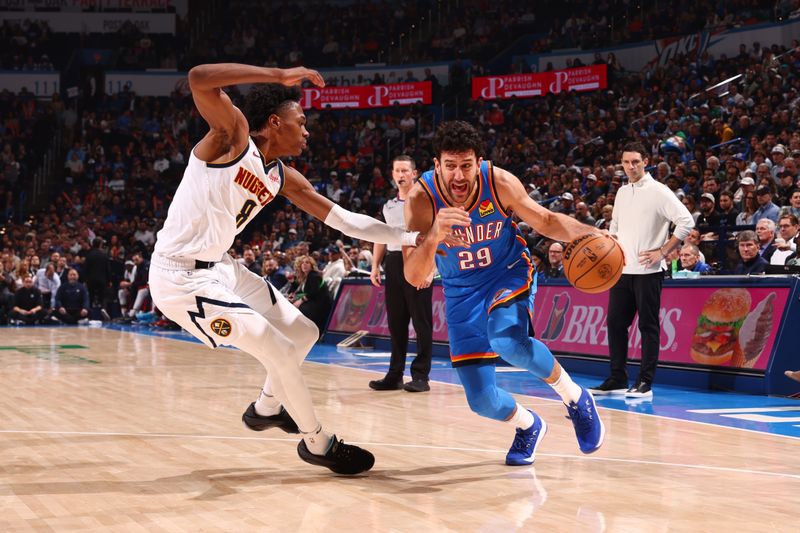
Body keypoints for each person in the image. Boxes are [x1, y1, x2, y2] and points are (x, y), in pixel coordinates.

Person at [148, 63, 424, 475]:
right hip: (180, 277)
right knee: (276, 348)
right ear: (275, 122)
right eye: (302, 121)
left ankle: (266, 407)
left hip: (220, 268)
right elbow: (198, 79)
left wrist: (412, 238)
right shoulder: (232, 136)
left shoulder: (280, 176)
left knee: (303, 332)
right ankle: (318, 443)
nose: (308, 130)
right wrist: (277, 75)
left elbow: (346, 221)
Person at [403, 121, 604, 466]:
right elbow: (414, 275)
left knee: (507, 340)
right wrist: (434, 235)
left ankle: (574, 397)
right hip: (460, 292)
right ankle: (529, 425)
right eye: (450, 166)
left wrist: (596, 234)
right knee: (481, 401)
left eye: (467, 165)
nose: (459, 176)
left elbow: (546, 220)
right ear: (436, 166)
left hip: (506, 273)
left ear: (478, 162)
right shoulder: (421, 199)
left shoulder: (499, 182)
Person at [589, 141, 694, 399]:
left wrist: (663, 251)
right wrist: (608, 242)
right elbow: (615, 227)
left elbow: (686, 221)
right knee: (615, 323)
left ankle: (645, 382)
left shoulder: (659, 191)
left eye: (635, 161)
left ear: (646, 161)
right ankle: (618, 378)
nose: (631, 166)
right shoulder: (622, 192)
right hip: (622, 270)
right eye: (626, 162)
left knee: (648, 326)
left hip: (649, 271)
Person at [369, 155, 434, 393]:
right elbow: (381, 236)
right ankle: (394, 374)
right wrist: (375, 265)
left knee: (421, 322)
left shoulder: (425, 202)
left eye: (405, 170)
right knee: (396, 323)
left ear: (414, 173)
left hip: (417, 260)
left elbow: (434, 239)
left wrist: (431, 270)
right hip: (394, 261)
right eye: (397, 170)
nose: (401, 175)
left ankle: (420, 376)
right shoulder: (388, 205)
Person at [290, 255, 331, 335]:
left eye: (307, 263)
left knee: (301, 308)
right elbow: (302, 291)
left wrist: (300, 300)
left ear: (312, 265)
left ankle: (302, 333)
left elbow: (313, 292)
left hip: (321, 304)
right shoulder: (307, 277)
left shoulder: (314, 276)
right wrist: (294, 296)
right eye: (302, 263)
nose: (304, 264)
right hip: (314, 302)